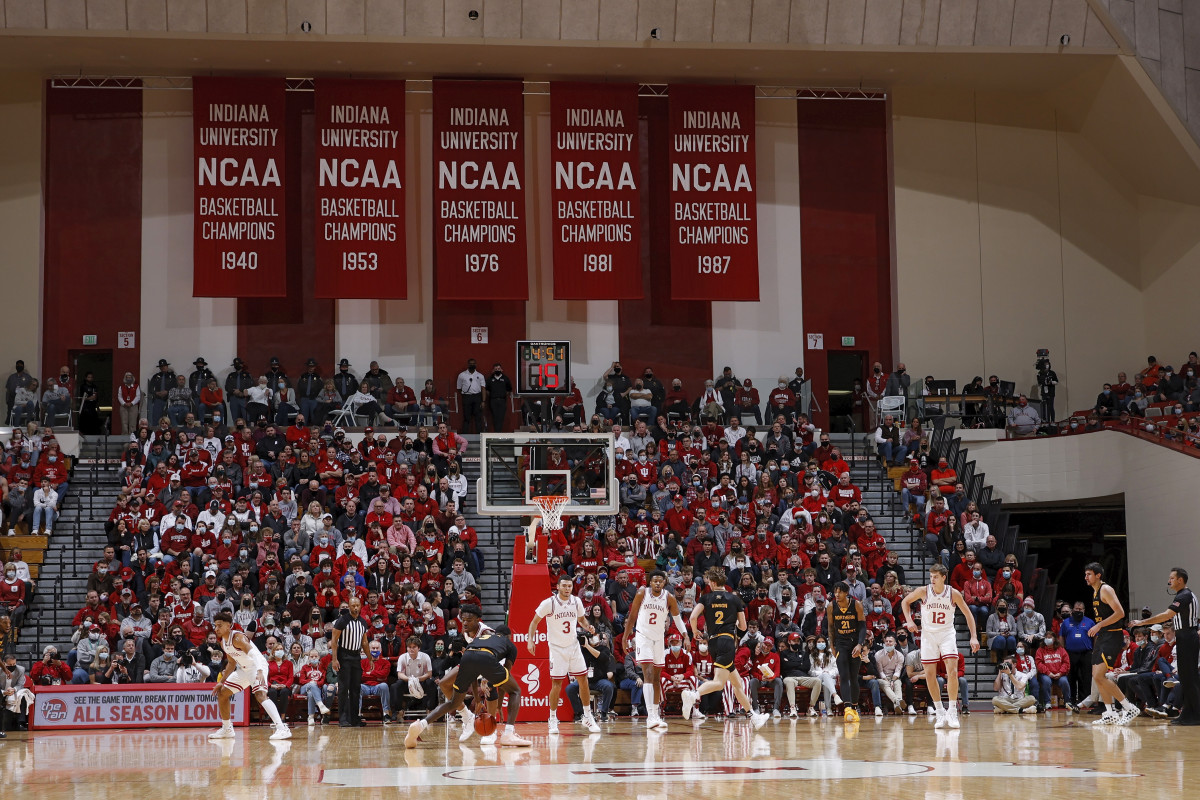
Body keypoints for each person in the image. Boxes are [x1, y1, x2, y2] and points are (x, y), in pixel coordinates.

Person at [405, 608, 531, 748]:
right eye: (463, 620)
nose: (464, 623)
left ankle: (421, 724)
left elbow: (474, 672)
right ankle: (507, 733)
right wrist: (493, 703)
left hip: (470, 657)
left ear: (478, 620)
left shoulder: (485, 633)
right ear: (509, 637)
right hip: (486, 659)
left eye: (468, 620)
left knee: (454, 701)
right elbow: (505, 679)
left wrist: (483, 687)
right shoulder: (510, 644)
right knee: (516, 691)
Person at [681, 566, 768, 728]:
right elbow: (743, 627)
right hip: (727, 641)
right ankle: (693, 695)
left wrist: (694, 632)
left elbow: (693, 617)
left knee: (737, 684)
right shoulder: (734, 599)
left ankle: (753, 716)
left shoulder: (706, 598)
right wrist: (733, 621)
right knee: (719, 683)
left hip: (713, 642)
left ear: (713, 583)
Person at [900, 563, 979, 729]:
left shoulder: (953, 593)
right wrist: (909, 620)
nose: (932, 579)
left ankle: (951, 710)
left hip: (947, 634)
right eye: (931, 576)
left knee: (952, 672)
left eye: (935, 577)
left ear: (943, 577)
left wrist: (973, 637)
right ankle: (939, 711)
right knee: (930, 674)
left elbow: (968, 614)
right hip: (928, 635)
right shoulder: (924, 591)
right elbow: (905, 602)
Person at [527, 575, 602, 734]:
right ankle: (552, 718)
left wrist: (588, 627)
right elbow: (534, 622)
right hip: (557, 648)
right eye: (565, 586)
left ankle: (587, 717)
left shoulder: (576, 601)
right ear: (558, 587)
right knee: (557, 684)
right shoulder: (549, 603)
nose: (567, 588)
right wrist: (530, 640)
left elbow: (581, 619)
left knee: (583, 680)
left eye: (569, 586)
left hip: (573, 646)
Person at [207, 611, 291, 740]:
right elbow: (231, 662)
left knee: (260, 695)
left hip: (257, 666)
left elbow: (255, 655)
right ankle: (227, 728)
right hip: (244, 669)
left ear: (229, 625)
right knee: (223, 693)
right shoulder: (224, 642)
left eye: (219, 625)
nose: (216, 628)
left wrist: (260, 671)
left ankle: (282, 728)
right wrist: (221, 682)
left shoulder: (237, 638)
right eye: (215, 625)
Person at [623, 570, 690, 731]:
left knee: (657, 677)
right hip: (643, 637)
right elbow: (632, 616)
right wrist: (626, 636)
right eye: (655, 581)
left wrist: (685, 635)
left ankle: (655, 713)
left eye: (660, 581)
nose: (657, 583)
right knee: (648, 674)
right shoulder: (642, 593)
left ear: (664, 582)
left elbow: (678, 619)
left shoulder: (669, 597)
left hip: (659, 638)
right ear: (650, 582)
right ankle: (650, 716)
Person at [1133, 566, 1199, 726]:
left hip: (1187, 636)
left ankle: (1195, 715)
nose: (1168, 581)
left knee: (1189, 678)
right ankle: (1189, 713)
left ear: (1180, 580)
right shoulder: (1183, 595)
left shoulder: (1184, 596)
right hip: (1184, 636)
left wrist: (1142, 622)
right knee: (1186, 678)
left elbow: (1166, 615)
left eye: (1171, 578)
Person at [1084, 562, 1140, 725]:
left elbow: (1120, 613)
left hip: (1112, 635)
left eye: (1089, 574)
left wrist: (1099, 625)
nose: (1086, 577)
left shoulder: (1106, 589)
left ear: (1098, 575)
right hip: (1103, 636)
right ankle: (1110, 713)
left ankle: (1129, 707)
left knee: (1101, 675)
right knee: (1097, 677)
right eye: (1085, 574)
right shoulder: (1095, 592)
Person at [329, 595, 373, 728]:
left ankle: (354, 718)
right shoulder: (342, 620)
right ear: (349, 606)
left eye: (357, 605)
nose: (355, 607)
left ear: (360, 606)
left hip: (356, 656)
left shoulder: (363, 622)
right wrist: (334, 659)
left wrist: (369, 658)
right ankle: (342, 719)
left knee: (355, 689)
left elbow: (364, 642)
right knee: (343, 688)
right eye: (352, 605)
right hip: (344, 655)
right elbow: (334, 641)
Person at [456, 359, 485, 434]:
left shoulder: (480, 375)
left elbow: (483, 388)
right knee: (466, 417)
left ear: (476, 364)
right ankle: (465, 436)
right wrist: (466, 395)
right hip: (466, 397)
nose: (472, 365)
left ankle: (480, 437)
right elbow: (459, 388)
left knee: (478, 418)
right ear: (468, 364)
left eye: (473, 363)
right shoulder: (462, 375)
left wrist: (483, 401)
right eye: (470, 363)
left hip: (477, 397)